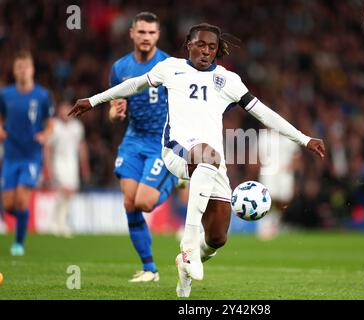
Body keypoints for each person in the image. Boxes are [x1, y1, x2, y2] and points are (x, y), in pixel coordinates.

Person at [69, 23, 326, 297]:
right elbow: (135, 85)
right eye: (200, 45)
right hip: (175, 151)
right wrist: (94, 100)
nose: (205, 51)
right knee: (206, 154)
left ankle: (185, 269)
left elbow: (264, 114)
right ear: (188, 44)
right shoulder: (171, 68)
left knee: (217, 238)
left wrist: (304, 138)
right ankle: (188, 247)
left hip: (212, 163)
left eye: (212, 47)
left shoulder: (228, 80)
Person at [107, 12, 178, 282]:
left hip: (160, 143)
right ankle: (150, 269)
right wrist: (116, 113)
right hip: (133, 141)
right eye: (141, 32)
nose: (146, 37)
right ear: (132, 34)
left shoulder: (171, 65)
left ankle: (174, 179)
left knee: (145, 202)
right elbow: (112, 112)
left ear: (158, 35)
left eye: (151, 33)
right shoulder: (120, 69)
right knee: (129, 203)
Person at [0, 50, 54, 256]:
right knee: (8, 205)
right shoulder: (5, 95)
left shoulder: (42, 96)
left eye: (26, 67)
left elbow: (50, 126)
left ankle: (19, 243)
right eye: (19, 67)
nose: (22, 71)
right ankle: (23, 218)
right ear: (15, 70)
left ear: (32, 70)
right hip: (11, 156)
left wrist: (44, 135)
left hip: (31, 156)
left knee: (22, 201)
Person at [44, 101, 90, 237]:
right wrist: (47, 167)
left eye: (66, 110)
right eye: (62, 110)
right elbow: (47, 148)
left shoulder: (77, 127)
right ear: (59, 111)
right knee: (65, 190)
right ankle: (58, 223)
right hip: (58, 162)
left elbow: (82, 146)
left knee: (68, 194)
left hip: (72, 163)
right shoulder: (54, 126)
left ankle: (60, 222)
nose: (64, 113)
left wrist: (84, 165)